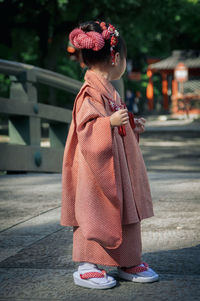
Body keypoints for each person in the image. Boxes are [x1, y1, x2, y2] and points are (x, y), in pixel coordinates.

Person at [60, 20, 159, 289]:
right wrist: (108, 124)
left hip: (116, 164)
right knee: (92, 209)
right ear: (116, 58)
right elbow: (86, 128)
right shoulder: (89, 92)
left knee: (124, 208)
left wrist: (129, 124)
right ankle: (87, 265)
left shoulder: (110, 91)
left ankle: (127, 260)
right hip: (94, 168)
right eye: (125, 58)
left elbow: (115, 122)